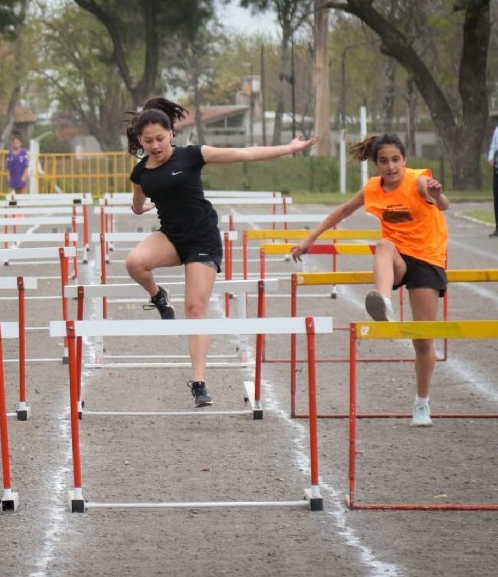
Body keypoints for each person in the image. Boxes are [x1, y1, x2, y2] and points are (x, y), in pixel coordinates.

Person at [124, 97, 317, 408]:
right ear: (139, 140)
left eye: (160, 138)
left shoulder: (193, 155)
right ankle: (158, 296)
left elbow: (246, 153)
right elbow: (136, 203)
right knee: (134, 263)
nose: (155, 146)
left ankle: (199, 382)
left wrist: (288, 148)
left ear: (171, 133)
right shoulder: (141, 172)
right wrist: (140, 208)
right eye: (148, 141)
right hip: (172, 237)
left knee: (195, 308)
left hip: (202, 239)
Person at [291, 133, 448, 427]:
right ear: (376, 165)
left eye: (396, 160)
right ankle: (383, 301)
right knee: (384, 246)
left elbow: (443, 205)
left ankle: (422, 404)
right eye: (384, 161)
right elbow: (343, 210)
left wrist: (437, 193)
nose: (391, 167)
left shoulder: (418, 181)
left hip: (428, 259)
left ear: (405, 160)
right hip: (398, 259)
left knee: (423, 340)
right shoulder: (374, 189)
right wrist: (310, 238)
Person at [487, 124, 498, 237]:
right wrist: (490, 158)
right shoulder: (497, 130)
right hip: (497, 168)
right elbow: (494, 146)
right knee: (497, 198)